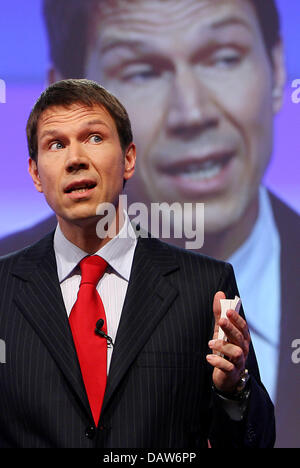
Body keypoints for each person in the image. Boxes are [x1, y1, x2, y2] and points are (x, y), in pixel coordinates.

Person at [0, 0, 298, 447]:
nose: (192, 113)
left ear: (128, 158)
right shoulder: (3, 286)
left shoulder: (208, 286)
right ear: (34, 173)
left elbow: (255, 441)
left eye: (222, 57)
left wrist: (233, 390)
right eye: (142, 70)